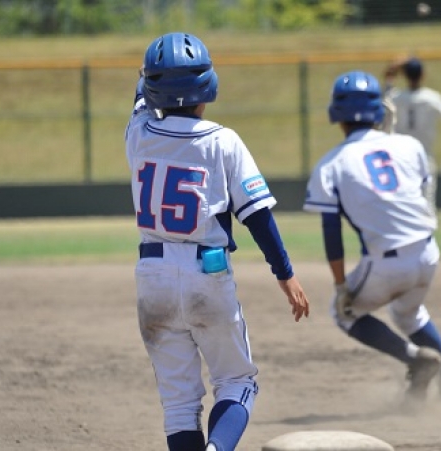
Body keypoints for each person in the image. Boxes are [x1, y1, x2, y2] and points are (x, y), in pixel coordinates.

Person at [125, 32, 310, 451]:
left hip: (151, 274)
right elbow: (257, 216)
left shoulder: (138, 133)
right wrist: (285, 274)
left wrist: (144, 79)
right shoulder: (222, 140)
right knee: (237, 382)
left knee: (179, 404)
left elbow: (139, 100)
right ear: (207, 85)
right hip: (205, 273)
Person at [303, 71, 441, 406]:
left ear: (336, 115)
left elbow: (331, 232)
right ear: (380, 109)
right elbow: (411, 194)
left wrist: (341, 285)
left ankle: (415, 359)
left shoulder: (330, 164)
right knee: (410, 314)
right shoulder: (410, 146)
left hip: (386, 264)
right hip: (428, 254)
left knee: (344, 313)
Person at [383, 57, 441, 211]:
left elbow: (385, 96)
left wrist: (391, 74)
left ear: (405, 75)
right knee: (427, 203)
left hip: (400, 157)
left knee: (401, 203)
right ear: (423, 75)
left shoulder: (396, 98)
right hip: (424, 156)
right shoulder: (432, 98)